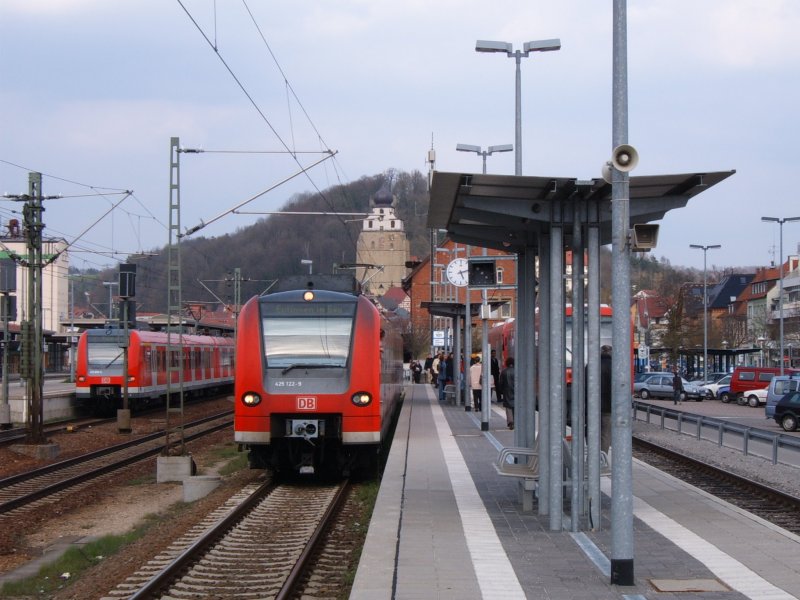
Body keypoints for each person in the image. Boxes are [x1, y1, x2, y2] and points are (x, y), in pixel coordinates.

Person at [600, 345, 612, 454]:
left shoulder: (591, 366)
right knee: (605, 434)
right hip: (608, 407)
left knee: (592, 432)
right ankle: (602, 459)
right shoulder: (614, 367)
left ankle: (592, 458)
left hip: (591, 407)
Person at [499, 356, 515, 429]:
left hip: (507, 391)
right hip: (516, 391)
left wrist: (501, 391)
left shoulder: (504, 372)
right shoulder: (517, 371)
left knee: (508, 407)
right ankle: (515, 420)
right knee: (515, 406)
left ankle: (510, 422)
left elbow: (501, 383)